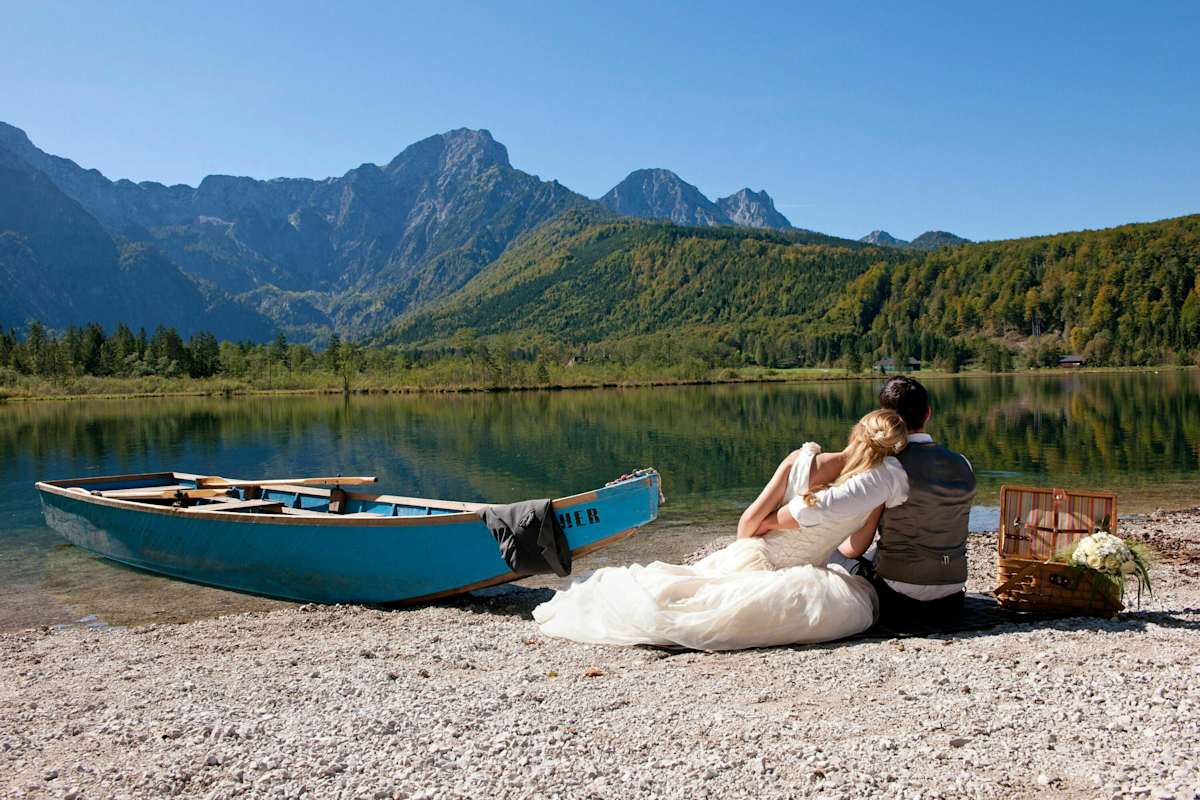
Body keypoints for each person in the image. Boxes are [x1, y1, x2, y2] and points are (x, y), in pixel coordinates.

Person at [532, 410, 910, 651]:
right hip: (804, 571)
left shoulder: (802, 462)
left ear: (855, 433)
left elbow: (748, 525)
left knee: (694, 595)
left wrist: (776, 528)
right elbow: (854, 548)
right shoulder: (876, 490)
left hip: (760, 555)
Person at [838, 376, 977, 620]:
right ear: (928, 413)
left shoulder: (888, 468)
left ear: (884, 417)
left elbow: (856, 547)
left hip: (899, 596)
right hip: (953, 593)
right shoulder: (963, 463)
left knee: (837, 553)